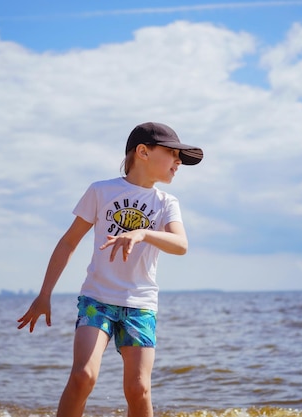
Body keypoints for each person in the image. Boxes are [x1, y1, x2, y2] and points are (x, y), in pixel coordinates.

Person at [17, 122, 203, 417]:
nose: (178, 162)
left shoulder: (166, 202)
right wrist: (44, 294)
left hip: (140, 305)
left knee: (138, 389)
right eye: (172, 153)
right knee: (82, 377)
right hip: (97, 299)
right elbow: (68, 242)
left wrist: (143, 233)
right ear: (143, 152)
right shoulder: (101, 191)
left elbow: (181, 244)